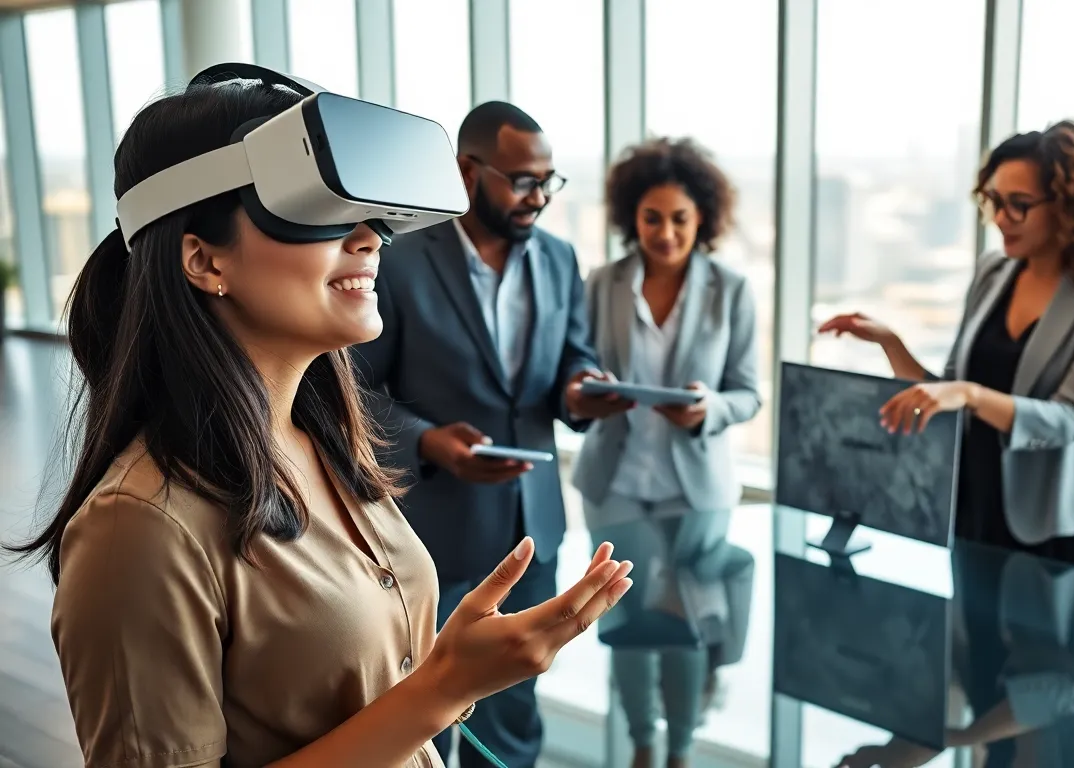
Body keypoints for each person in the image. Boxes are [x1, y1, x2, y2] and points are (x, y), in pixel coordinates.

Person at [3, 77, 632, 768]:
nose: (368, 239)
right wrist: (446, 686)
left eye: (365, 212)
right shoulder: (139, 528)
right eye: (314, 210)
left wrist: (450, 671)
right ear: (205, 259)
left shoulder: (327, 448)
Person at [353, 101, 631, 767]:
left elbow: (572, 355)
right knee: (414, 706)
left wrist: (581, 386)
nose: (538, 196)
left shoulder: (560, 260)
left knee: (513, 710)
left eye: (548, 180)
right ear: (465, 171)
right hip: (432, 531)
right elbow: (354, 392)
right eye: (522, 180)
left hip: (533, 528)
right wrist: (425, 440)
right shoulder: (400, 259)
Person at [818, 120, 1074, 578]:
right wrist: (890, 343)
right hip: (980, 513)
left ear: (1072, 207)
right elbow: (946, 393)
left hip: (1070, 530)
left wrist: (970, 395)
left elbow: (1068, 420)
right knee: (973, 650)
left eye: (1019, 205)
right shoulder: (993, 272)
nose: (1000, 218)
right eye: (994, 201)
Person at [571, 137, 761, 768]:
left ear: (702, 217)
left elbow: (749, 394)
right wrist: (590, 390)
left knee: (684, 627)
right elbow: (576, 367)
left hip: (694, 489)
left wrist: (710, 408)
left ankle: (681, 749)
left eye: (680, 218)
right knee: (625, 626)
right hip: (617, 480)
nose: (666, 232)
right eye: (653, 218)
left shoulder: (730, 290)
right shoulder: (602, 284)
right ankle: (642, 747)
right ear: (634, 217)